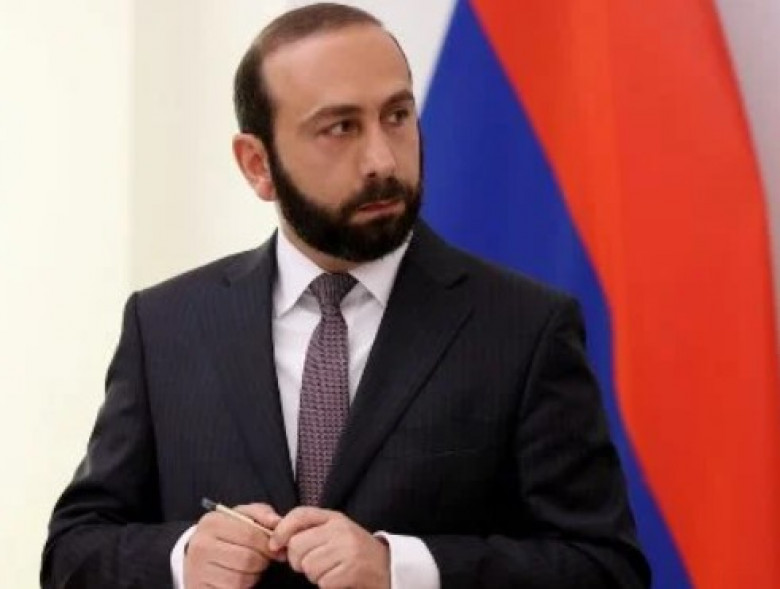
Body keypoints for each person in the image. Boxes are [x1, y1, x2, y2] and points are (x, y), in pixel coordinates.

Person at [41, 3, 650, 588]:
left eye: (397, 116)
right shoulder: (166, 324)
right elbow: (72, 552)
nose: (382, 159)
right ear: (257, 165)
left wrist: (402, 570)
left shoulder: (525, 327)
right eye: (340, 128)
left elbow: (606, 567)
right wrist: (182, 560)